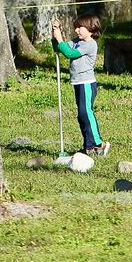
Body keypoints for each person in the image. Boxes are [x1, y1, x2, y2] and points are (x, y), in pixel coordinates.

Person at [52, 14, 111, 158]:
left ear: (91, 29)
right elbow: (60, 48)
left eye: (80, 27)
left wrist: (60, 39)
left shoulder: (90, 44)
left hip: (86, 83)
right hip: (77, 83)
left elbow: (69, 53)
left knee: (86, 113)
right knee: (81, 116)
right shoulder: (76, 41)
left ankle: (99, 143)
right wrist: (55, 32)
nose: (77, 30)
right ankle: (88, 146)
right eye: (76, 27)